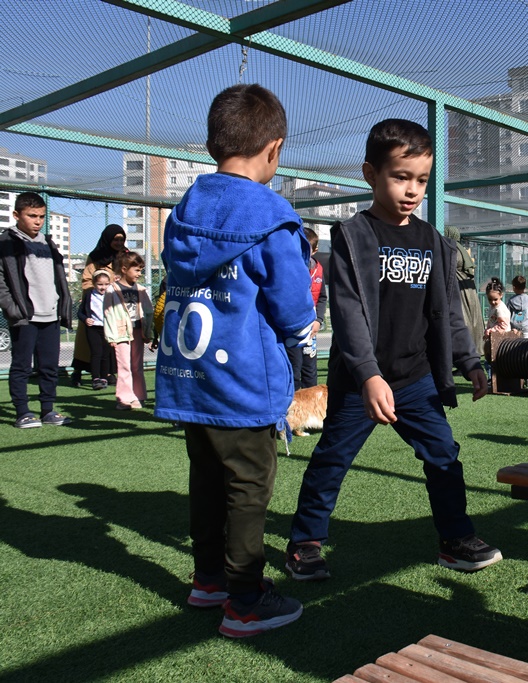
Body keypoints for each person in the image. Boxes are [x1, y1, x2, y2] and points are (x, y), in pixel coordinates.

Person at [285, 118, 499, 582]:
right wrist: (367, 374)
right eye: (401, 177)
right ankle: (305, 541)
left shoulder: (434, 245)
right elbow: (347, 311)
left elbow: (448, 313)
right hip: (360, 381)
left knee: (444, 454)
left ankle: (455, 539)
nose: (412, 189)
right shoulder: (353, 236)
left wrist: (470, 360)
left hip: (415, 378)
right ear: (370, 174)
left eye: (421, 179)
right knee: (331, 460)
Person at [155, 83, 314, 637]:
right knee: (249, 487)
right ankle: (246, 598)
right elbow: (295, 311)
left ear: (210, 144)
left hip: (189, 380)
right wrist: (300, 332)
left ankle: (208, 580)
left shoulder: (184, 210)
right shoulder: (273, 215)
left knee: (206, 479)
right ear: (274, 148)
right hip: (242, 382)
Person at [0, 192, 73, 428]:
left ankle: (48, 410)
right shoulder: (6, 242)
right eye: (32, 216)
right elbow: (2, 281)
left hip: (50, 314)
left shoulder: (48, 243)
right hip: (25, 316)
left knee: (50, 366)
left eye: (41, 216)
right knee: (21, 366)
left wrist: (61, 305)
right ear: (16, 215)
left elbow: (58, 277)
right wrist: (14, 309)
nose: (38, 221)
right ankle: (23, 412)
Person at [71, 224, 127, 387]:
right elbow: (87, 279)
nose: (118, 242)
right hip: (94, 304)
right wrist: (98, 290)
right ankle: (78, 372)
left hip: (115, 304)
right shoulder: (96, 256)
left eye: (121, 239)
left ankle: (107, 373)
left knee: (110, 342)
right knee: (87, 343)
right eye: (115, 239)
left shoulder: (125, 255)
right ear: (107, 239)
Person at [104, 251, 153, 410]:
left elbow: (148, 311)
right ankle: (124, 399)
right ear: (124, 269)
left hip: (138, 332)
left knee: (137, 366)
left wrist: (148, 333)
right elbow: (108, 313)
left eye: (141, 270)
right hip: (121, 333)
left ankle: (139, 396)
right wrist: (111, 336)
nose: (139, 274)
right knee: (124, 365)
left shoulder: (141, 289)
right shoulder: (112, 289)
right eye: (137, 270)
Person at [286, 227, 327, 390]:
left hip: (311, 329)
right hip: (293, 329)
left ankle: (311, 408)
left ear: (315, 250)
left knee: (310, 370)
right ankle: (294, 408)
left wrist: (318, 320)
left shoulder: (318, 270)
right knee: (294, 369)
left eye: (306, 249)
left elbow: (322, 297)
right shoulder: (288, 269)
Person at [446, 226, 485, 356]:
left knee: (463, 320)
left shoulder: (452, 249)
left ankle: (465, 354)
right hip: (468, 289)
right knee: (471, 320)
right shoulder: (460, 249)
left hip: (460, 289)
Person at [77, 268, 113, 390]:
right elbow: (80, 312)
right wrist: (86, 319)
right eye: (100, 284)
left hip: (108, 328)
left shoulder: (112, 295)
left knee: (106, 354)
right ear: (93, 284)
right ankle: (95, 378)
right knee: (96, 353)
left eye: (106, 284)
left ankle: (104, 377)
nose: (103, 287)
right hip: (93, 328)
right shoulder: (89, 296)